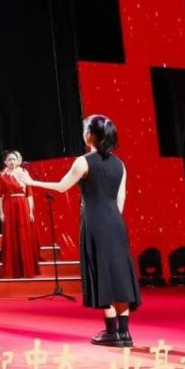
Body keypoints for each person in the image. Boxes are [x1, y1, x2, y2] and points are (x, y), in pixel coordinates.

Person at [24, 115, 141, 347]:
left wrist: (32, 182)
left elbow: (61, 187)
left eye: (86, 130)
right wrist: (112, 219)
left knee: (102, 273)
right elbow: (121, 198)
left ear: (92, 136)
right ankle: (124, 332)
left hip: (95, 222)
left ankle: (111, 332)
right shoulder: (120, 164)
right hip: (116, 223)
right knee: (119, 273)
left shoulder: (84, 161)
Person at [0, 150, 40, 278]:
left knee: (24, 234)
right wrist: (1, 212)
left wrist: (31, 211)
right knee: (11, 235)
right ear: (5, 162)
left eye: (14, 159)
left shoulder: (24, 173)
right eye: (9, 159)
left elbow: (29, 194)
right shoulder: (2, 175)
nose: (12, 161)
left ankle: (27, 269)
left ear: (17, 161)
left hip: (22, 205)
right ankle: (12, 270)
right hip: (9, 205)